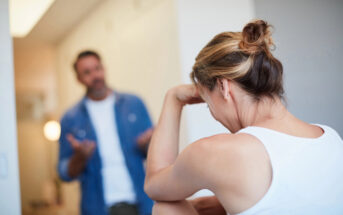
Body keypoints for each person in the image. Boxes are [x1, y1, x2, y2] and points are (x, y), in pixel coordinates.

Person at [144, 20, 343, 215]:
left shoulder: (220, 151)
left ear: (224, 87)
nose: (213, 114)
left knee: (166, 206)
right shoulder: (331, 138)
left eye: (207, 103)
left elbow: (154, 185)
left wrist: (174, 99)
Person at [57, 50, 154, 215]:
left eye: (98, 68)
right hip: (97, 208)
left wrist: (147, 145)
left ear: (104, 68)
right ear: (79, 79)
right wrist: (79, 157)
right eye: (87, 72)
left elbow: (156, 153)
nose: (95, 75)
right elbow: (64, 173)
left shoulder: (134, 104)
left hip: (141, 202)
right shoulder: (70, 118)